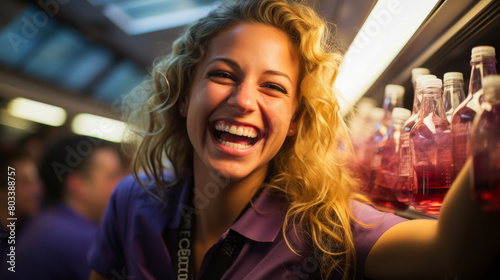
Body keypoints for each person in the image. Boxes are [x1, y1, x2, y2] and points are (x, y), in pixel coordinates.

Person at [88, 0, 500, 279]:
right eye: (222, 75)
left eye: (274, 87)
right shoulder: (132, 201)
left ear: (295, 121)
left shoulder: (327, 230)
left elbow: (451, 253)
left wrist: (491, 114)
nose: (243, 100)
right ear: (183, 97)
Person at [14, 134, 124, 280]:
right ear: (78, 185)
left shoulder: (49, 220)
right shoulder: (83, 241)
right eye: (113, 176)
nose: (122, 183)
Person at [0, 152, 43, 276]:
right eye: (26, 183)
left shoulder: (31, 231)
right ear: (2, 193)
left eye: (36, 181)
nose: (37, 190)